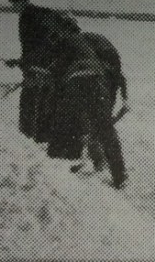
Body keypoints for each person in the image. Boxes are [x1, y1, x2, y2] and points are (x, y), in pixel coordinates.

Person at [40, 27, 128, 189]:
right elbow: (117, 72)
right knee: (104, 129)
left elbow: (55, 81)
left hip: (76, 83)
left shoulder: (64, 46)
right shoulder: (94, 41)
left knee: (70, 124)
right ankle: (119, 176)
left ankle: (62, 171)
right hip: (98, 80)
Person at [4, 0, 79, 143]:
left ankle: (27, 134)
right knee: (44, 98)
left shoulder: (28, 17)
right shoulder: (39, 13)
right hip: (46, 64)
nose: (13, 8)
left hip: (40, 65)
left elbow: (36, 45)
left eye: (15, 5)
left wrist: (23, 62)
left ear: (23, 2)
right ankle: (40, 134)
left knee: (30, 99)